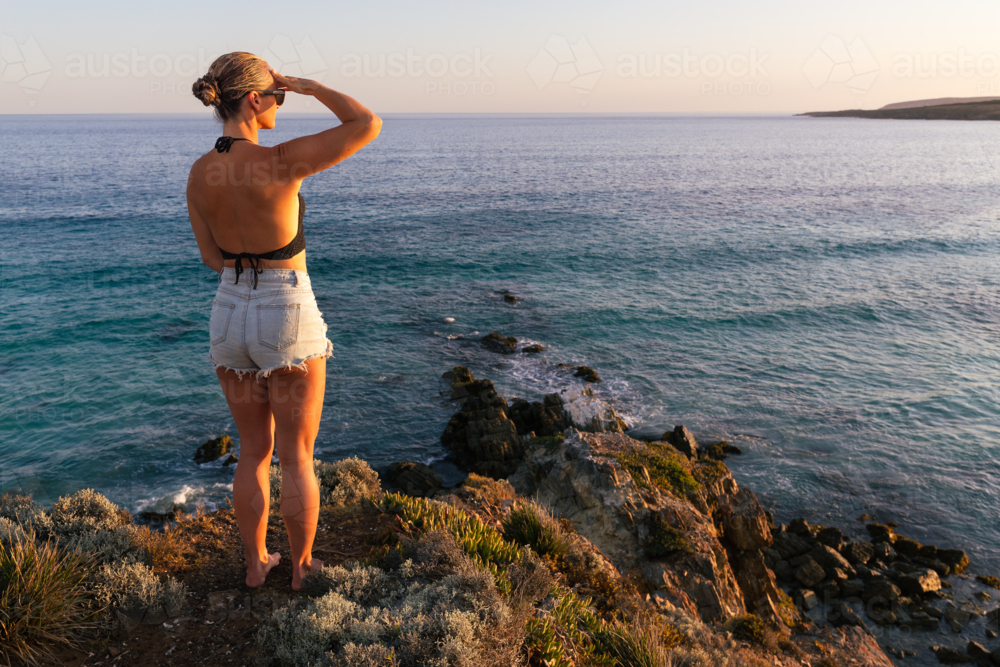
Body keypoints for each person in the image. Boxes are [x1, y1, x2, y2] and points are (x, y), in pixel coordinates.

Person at [187, 52, 381, 589]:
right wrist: (312, 85)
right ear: (253, 98)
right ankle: (298, 570)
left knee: (252, 451)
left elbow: (211, 257)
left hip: (229, 309)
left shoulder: (201, 172)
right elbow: (367, 124)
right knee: (296, 456)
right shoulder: (279, 161)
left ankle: (254, 567)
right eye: (277, 93)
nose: (282, 102)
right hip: (285, 309)